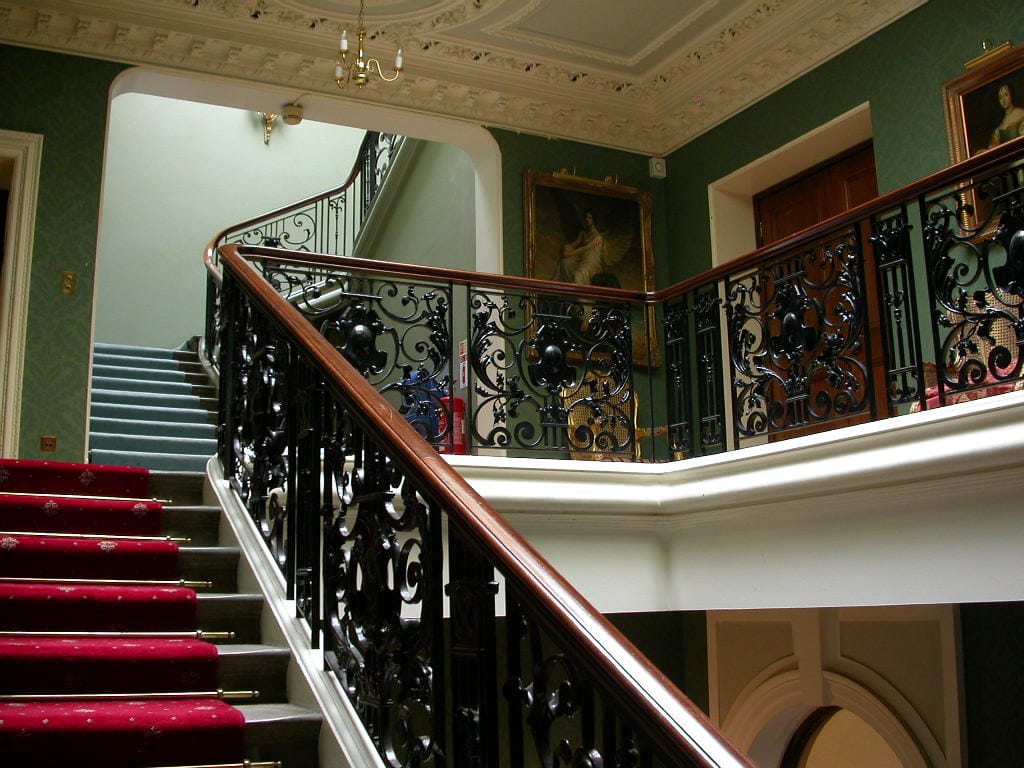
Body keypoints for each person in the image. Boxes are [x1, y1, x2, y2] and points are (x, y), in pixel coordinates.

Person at [553, 209, 605, 285]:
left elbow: (585, 248)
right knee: (565, 262)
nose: (587, 219)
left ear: (594, 220)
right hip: (580, 259)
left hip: (590, 262)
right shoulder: (583, 233)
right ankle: (563, 285)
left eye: (590, 218)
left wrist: (569, 254)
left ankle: (577, 290)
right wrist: (565, 247)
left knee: (578, 274)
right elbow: (575, 244)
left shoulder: (598, 239)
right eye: (586, 217)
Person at [988, 82, 1024, 148]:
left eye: (1006, 95)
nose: (1003, 100)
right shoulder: (1001, 120)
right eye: (1000, 97)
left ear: (1011, 95)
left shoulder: (1021, 113)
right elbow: (995, 143)